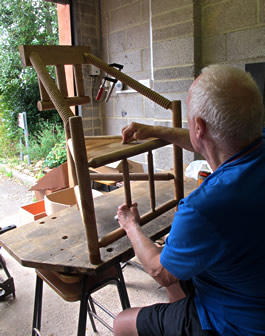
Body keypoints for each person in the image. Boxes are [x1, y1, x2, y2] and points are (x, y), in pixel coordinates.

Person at [113, 64, 265, 336]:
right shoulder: (256, 143)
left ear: (198, 127)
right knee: (177, 278)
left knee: (122, 322)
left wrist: (130, 225)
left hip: (239, 323)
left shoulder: (205, 207)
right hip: (250, 285)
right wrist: (157, 131)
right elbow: (212, 139)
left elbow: (158, 270)